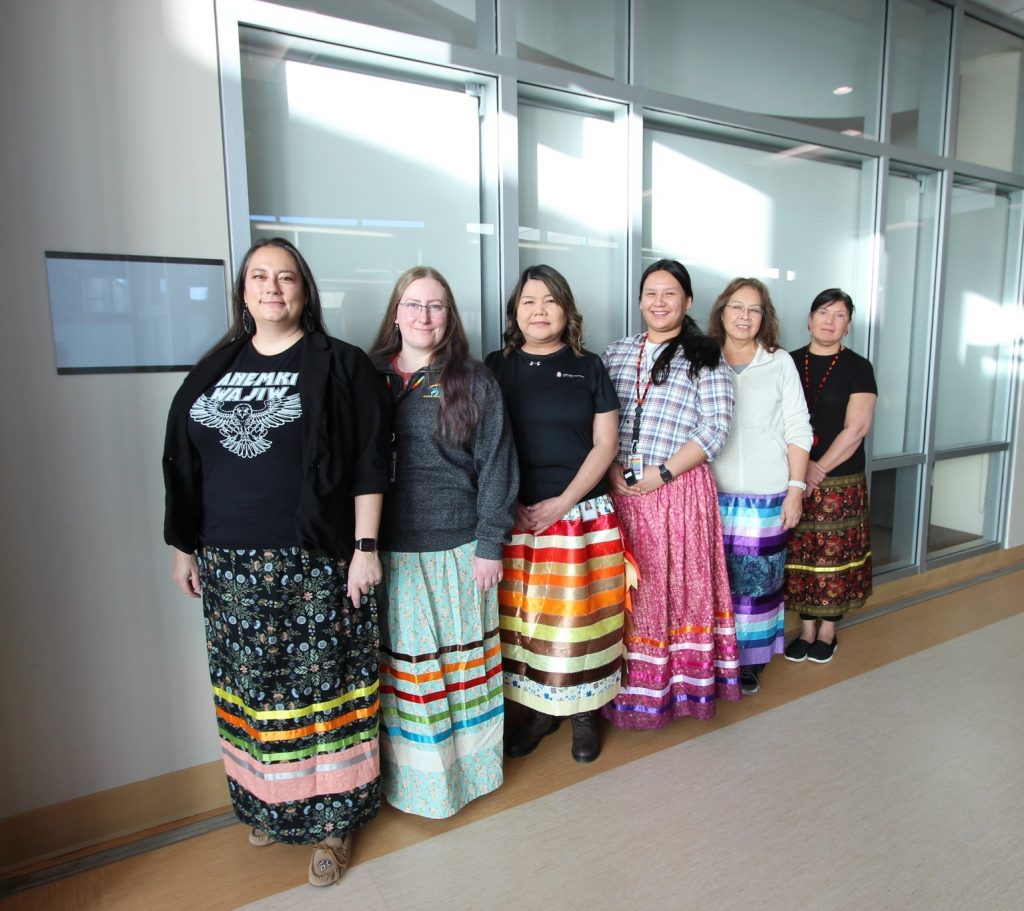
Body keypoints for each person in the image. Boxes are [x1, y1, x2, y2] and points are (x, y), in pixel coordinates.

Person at [163, 237, 390, 887]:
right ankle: (269, 803)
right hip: (229, 564)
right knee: (253, 691)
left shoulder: (341, 366)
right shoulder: (214, 366)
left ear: (304, 289)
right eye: (259, 276)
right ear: (243, 291)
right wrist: (184, 546)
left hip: (316, 558)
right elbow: (186, 460)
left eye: (285, 277)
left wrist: (365, 548)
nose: (272, 287)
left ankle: (332, 821)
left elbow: (372, 463)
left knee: (326, 693)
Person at [369, 266, 518, 818]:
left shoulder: (473, 380)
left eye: (435, 307)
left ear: (449, 316)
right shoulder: (369, 376)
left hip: (458, 550)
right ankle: (414, 785)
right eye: (413, 304)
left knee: (460, 672)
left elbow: (498, 464)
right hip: (387, 553)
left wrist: (489, 543)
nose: (423, 317)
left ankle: (469, 777)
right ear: (396, 312)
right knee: (409, 675)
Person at [485, 265, 625, 763]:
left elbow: (605, 444)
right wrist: (510, 505)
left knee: (580, 621)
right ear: (515, 312)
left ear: (567, 309)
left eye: (549, 300)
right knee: (526, 624)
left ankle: (585, 714)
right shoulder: (494, 368)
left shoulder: (588, 367)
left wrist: (564, 502)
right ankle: (540, 712)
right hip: (514, 519)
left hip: (578, 513)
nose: (539, 311)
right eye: (528, 302)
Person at [601, 259, 740, 728]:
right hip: (621, 490)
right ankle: (620, 695)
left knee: (674, 590)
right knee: (629, 594)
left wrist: (661, 473)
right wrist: (613, 468)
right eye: (651, 293)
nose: (659, 302)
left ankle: (678, 690)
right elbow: (599, 422)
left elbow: (715, 429)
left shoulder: (706, 355)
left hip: (677, 491)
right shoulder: (616, 352)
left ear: (688, 301)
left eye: (669, 294)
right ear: (640, 300)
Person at [707, 278, 812, 695]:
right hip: (709, 492)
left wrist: (796, 488)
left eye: (754, 309)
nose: (744, 317)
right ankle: (711, 655)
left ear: (764, 317)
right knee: (713, 578)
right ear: (722, 312)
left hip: (765, 493)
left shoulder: (779, 362)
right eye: (737, 307)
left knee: (757, 583)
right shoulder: (702, 358)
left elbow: (798, 428)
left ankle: (748, 662)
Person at [784, 288, 877, 664]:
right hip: (793, 476)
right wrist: (802, 469)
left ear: (848, 325)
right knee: (801, 554)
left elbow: (856, 429)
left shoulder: (858, 367)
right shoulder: (787, 362)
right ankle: (806, 628)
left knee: (834, 558)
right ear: (809, 320)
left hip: (840, 479)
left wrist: (817, 468)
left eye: (839, 315)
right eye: (823, 312)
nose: (829, 321)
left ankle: (828, 631)